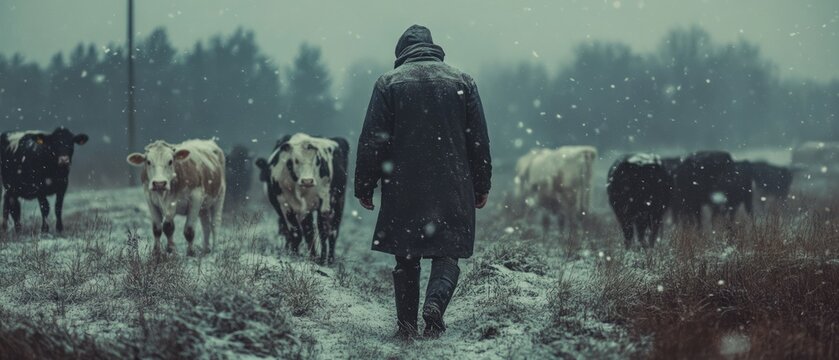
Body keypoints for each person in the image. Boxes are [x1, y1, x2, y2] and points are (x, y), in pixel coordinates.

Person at [355, 24, 492, 340]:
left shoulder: (389, 83)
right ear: (434, 47)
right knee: (448, 249)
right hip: (453, 182)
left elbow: (372, 140)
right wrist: (481, 184)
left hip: (404, 184)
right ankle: (434, 305)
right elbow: (478, 140)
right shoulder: (463, 81)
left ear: (401, 52)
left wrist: (365, 184)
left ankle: (406, 327)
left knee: (406, 254)